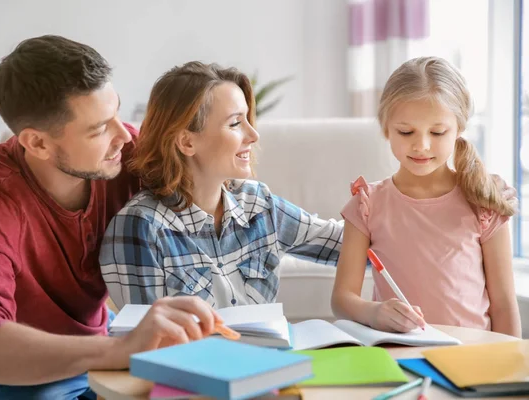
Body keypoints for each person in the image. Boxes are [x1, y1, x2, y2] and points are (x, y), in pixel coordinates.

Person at [0, 35, 221, 400]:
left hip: (98, 339)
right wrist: (121, 350)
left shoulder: (125, 153)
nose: (123, 134)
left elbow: (217, 196)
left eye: (116, 112)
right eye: (99, 128)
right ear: (37, 143)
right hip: (17, 375)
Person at [99, 61, 344, 309]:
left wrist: (381, 198)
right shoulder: (141, 227)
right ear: (186, 142)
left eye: (247, 119)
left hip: (265, 349)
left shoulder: (258, 204)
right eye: (236, 123)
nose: (253, 135)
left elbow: (346, 246)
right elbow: (150, 340)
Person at [331, 56, 522, 337]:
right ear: (386, 129)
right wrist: (374, 312)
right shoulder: (367, 204)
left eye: (437, 132)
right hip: (400, 353)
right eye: (406, 132)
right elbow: (342, 299)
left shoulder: (484, 200)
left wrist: (509, 374)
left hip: (473, 358)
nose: (421, 145)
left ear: (459, 128)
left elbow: (504, 305)